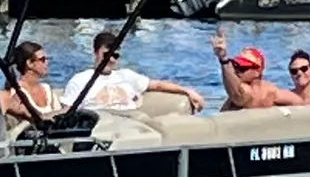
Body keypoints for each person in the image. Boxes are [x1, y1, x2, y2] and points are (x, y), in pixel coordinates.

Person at [62, 27, 209, 118]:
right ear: (95, 52)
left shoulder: (126, 76)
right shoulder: (80, 80)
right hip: (103, 126)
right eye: (106, 54)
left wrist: (188, 91)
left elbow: (157, 85)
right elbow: (67, 111)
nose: (111, 60)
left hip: (133, 122)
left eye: (116, 56)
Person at [211, 38, 300, 111]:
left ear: (257, 72)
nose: (237, 71)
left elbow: (238, 94)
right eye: (236, 66)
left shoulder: (253, 90)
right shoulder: (270, 90)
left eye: (243, 68)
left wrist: (224, 60)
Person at [0, 39, 61, 123]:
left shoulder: (47, 89)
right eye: (42, 59)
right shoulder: (16, 93)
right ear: (29, 63)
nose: (47, 62)